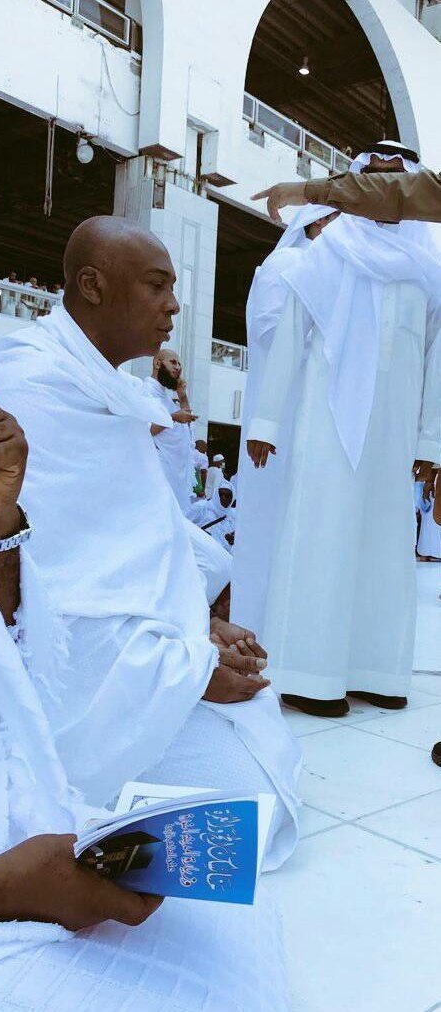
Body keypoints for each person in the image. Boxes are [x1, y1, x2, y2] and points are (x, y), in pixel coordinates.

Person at [0, 217, 301, 870]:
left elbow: (136, 550)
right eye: (157, 285)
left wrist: (197, 628)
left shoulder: (112, 392)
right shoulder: (29, 385)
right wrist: (189, 664)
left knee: (261, 774)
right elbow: (45, 592)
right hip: (56, 682)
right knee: (240, 812)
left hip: (131, 660)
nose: (174, 305)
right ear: (92, 285)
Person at [0, 376, 292, 1012]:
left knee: (229, 935)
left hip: (6, 819)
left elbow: (5, 653)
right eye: (155, 285)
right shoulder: (42, 376)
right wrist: (4, 890)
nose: (172, 305)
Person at [232, 143, 441, 719]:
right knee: (320, 533)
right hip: (325, 423)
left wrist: (431, 443)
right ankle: (311, 675)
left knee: (386, 547)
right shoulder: (325, 253)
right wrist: (267, 421)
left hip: (395, 436)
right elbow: (290, 335)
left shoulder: (429, 270)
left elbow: (438, 361)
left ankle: (378, 670)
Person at [232, 204, 339, 638]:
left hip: (306, 417)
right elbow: (270, 330)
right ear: (315, 223)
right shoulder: (289, 262)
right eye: (339, 221)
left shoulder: (319, 269)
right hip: (280, 420)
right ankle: (258, 632)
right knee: (271, 527)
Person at [251, 140, 441, 224]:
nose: (380, 181)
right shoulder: (331, 246)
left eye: (394, 175)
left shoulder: (431, 258)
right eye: (370, 175)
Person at [145, 348, 198, 513]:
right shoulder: (145, 392)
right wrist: (174, 417)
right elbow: (145, 431)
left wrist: (182, 396)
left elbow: (185, 422)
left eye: (180, 364)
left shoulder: (165, 398)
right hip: (158, 471)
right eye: (173, 362)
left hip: (174, 474)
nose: (178, 367)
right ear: (157, 363)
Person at [202, 480, 236, 554]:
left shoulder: (233, 515)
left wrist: (233, 541)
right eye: (221, 494)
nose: (224, 498)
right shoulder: (203, 508)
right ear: (216, 495)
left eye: (227, 496)